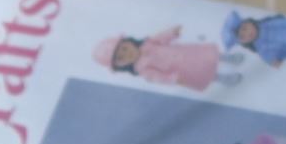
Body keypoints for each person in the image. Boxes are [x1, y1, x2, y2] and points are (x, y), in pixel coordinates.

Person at [94, 28, 241, 92]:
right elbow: (159, 78)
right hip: (181, 69)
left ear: (128, 42)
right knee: (203, 73)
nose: (128, 54)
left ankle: (227, 58)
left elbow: (160, 38)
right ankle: (223, 78)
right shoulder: (143, 70)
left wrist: (171, 33)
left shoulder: (147, 43)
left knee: (206, 55)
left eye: (125, 48)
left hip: (186, 53)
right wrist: (173, 79)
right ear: (122, 66)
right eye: (121, 58)